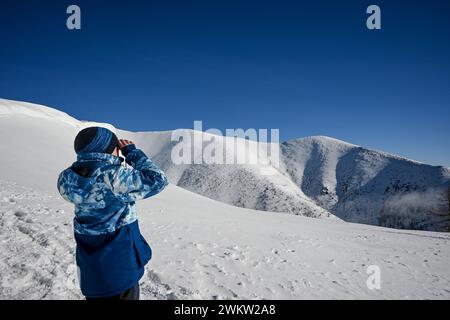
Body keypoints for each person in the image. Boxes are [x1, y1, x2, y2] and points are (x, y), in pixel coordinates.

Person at [57, 126, 168, 300]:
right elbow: (158, 180)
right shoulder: (112, 177)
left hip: (91, 270)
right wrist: (132, 153)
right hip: (119, 267)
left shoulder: (68, 177)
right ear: (110, 150)